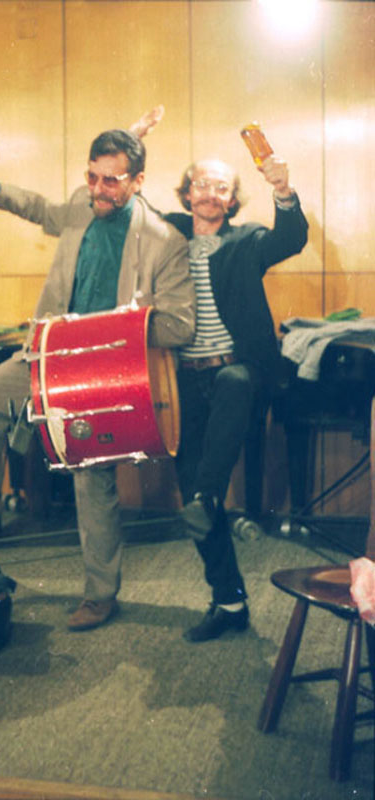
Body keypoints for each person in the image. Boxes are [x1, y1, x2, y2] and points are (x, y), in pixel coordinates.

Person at [0, 128, 195, 632]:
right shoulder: (80, 204)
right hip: (50, 350)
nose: (98, 189)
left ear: (138, 181)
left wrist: (113, 327)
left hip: (106, 368)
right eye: (92, 177)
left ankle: (100, 595)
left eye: (111, 181)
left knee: (91, 479)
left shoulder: (166, 241)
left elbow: (180, 325)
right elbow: (41, 210)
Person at [163, 151, 309, 642]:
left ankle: (207, 495)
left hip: (239, 371)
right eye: (202, 184)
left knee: (233, 383)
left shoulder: (246, 241)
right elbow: (128, 212)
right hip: (182, 380)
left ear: (231, 200)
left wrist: (283, 191)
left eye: (221, 187)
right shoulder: (166, 237)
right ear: (187, 193)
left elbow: (291, 238)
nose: (211, 193)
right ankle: (229, 601)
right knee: (193, 492)